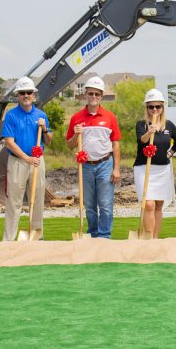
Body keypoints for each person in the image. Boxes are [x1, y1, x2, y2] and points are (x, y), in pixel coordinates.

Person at [66, 75, 121, 238]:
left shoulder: (110, 117)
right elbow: (69, 144)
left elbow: (116, 144)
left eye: (97, 94)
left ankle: (104, 237)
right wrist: (76, 136)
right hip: (86, 166)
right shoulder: (76, 118)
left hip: (105, 164)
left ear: (101, 96)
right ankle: (92, 234)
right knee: (89, 205)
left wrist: (116, 169)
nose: (94, 97)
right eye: (91, 94)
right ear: (85, 95)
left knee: (105, 204)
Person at [1, 76, 52, 241]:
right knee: (14, 202)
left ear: (34, 95)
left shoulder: (41, 115)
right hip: (17, 161)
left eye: (28, 92)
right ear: (18, 95)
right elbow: (9, 142)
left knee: (37, 200)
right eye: (22, 93)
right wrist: (27, 158)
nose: (26, 95)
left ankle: (37, 235)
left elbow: (49, 141)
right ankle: (9, 239)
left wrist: (44, 129)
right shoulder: (11, 115)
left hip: (38, 161)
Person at [134, 88, 176, 238]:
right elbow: (141, 141)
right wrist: (150, 132)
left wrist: (169, 154)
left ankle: (155, 239)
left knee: (159, 205)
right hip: (144, 168)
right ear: (147, 108)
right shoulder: (141, 125)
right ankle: (148, 238)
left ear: (162, 107)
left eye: (158, 106)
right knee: (148, 204)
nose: (154, 109)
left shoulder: (169, 125)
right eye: (151, 106)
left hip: (162, 169)